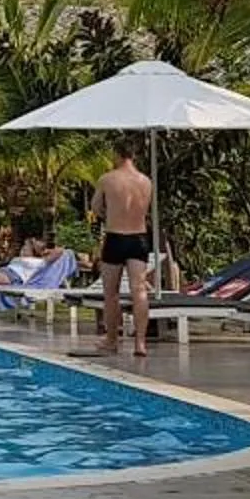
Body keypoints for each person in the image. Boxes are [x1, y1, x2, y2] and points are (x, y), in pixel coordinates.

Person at [87, 148, 157, 357]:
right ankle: (140, 344)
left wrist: (110, 213)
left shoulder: (107, 179)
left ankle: (111, 341)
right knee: (140, 291)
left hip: (116, 236)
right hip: (139, 238)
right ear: (133, 156)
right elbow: (146, 208)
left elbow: (96, 207)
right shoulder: (146, 181)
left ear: (117, 155)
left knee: (111, 294)